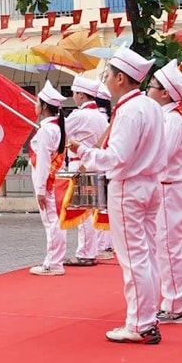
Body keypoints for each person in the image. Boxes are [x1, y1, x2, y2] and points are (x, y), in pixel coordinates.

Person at [76, 48, 165, 344]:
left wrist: (85, 152)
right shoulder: (150, 106)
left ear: (121, 78)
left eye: (108, 75)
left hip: (129, 185)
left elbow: (118, 158)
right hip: (149, 182)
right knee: (147, 253)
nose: (106, 81)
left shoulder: (129, 110)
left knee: (133, 257)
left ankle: (139, 323)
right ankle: (147, 317)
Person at [149, 62, 182, 324]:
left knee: (169, 247)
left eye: (152, 87)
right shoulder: (167, 118)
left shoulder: (172, 120)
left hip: (169, 189)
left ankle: (177, 303)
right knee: (165, 247)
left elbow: (159, 156)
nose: (148, 90)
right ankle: (174, 300)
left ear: (165, 93)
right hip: (166, 189)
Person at [64, 77, 110, 264]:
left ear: (81, 95)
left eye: (74, 94)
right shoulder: (101, 116)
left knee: (83, 212)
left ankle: (85, 253)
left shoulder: (79, 115)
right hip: (98, 164)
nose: (73, 97)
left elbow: (61, 133)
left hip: (81, 164)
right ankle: (93, 249)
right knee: (94, 210)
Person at [27, 83, 67, 276]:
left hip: (48, 182)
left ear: (44, 107)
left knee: (51, 221)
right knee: (55, 220)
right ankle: (54, 260)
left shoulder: (46, 131)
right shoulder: (56, 128)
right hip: (55, 180)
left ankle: (53, 263)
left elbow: (43, 162)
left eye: (37, 102)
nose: (35, 105)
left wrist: (41, 190)